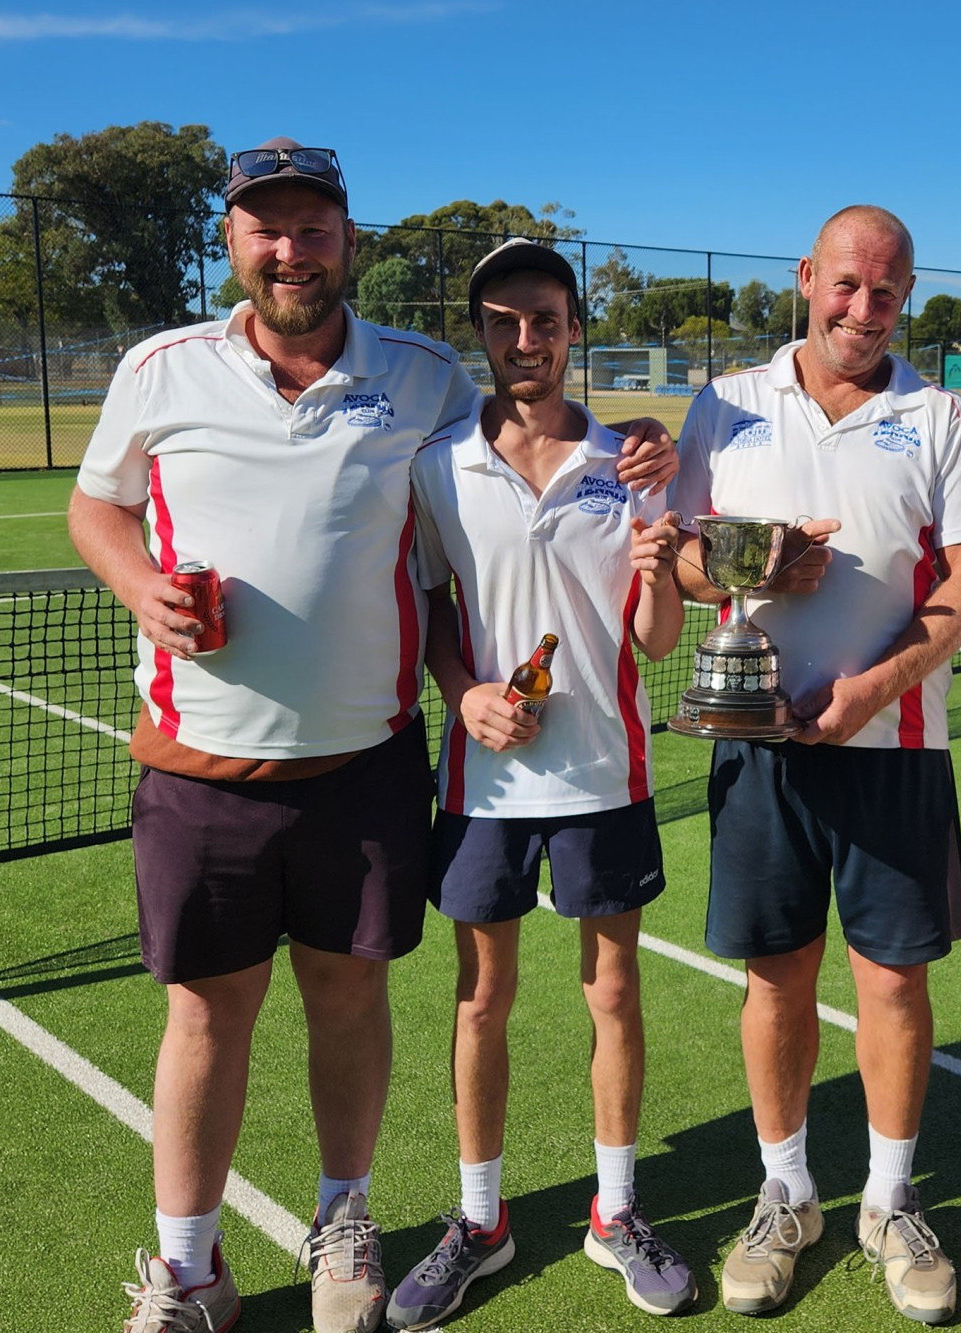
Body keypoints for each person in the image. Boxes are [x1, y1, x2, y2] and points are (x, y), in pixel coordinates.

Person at [71, 140, 672, 1333]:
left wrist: (638, 439)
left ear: (348, 241)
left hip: (367, 768)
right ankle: (188, 1272)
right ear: (233, 241)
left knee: (351, 1003)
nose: (290, 249)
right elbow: (98, 504)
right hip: (201, 768)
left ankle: (346, 1224)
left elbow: (533, 443)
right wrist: (137, 583)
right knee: (204, 1012)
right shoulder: (159, 368)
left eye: (313, 227)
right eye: (265, 227)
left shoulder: (423, 381)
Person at [671, 205, 961, 1324]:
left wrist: (876, 685)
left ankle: (887, 1196)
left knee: (891, 982)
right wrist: (721, 563)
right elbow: (680, 558)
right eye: (846, 285)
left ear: (903, 298)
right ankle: (785, 1194)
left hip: (896, 746)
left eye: (886, 292)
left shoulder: (940, 416)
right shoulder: (723, 403)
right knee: (775, 978)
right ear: (806, 277)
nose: (863, 311)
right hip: (754, 744)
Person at [383, 239, 694, 1328]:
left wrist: (657, 573)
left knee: (612, 994)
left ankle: (615, 1211)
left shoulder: (630, 461)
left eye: (547, 320)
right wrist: (463, 693)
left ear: (574, 329)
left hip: (606, 776)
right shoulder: (437, 467)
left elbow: (654, 642)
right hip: (483, 786)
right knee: (480, 1001)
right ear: (482, 331)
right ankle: (480, 1220)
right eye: (507, 321)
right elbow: (429, 619)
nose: (528, 340)